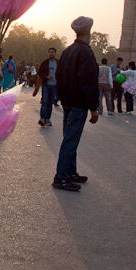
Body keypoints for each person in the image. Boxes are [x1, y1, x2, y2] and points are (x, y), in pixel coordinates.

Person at [52, 16, 99, 191]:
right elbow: (88, 81)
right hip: (79, 103)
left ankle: (70, 172)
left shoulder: (67, 51)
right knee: (70, 140)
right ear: (89, 33)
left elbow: (60, 77)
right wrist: (93, 107)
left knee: (70, 138)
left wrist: (62, 98)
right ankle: (61, 177)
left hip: (68, 102)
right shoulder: (86, 52)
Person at [37, 47, 59, 127]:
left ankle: (48, 118)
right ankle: (42, 118)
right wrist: (46, 77)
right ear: (48, 53)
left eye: (53, 52)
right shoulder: (45, 63)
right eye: (50, 52)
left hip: (54, 85)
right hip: (46, 85)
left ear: (55, 53)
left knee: (50, 102)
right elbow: (40, 72)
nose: (51, 53)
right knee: (45, 101)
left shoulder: (58, 63)